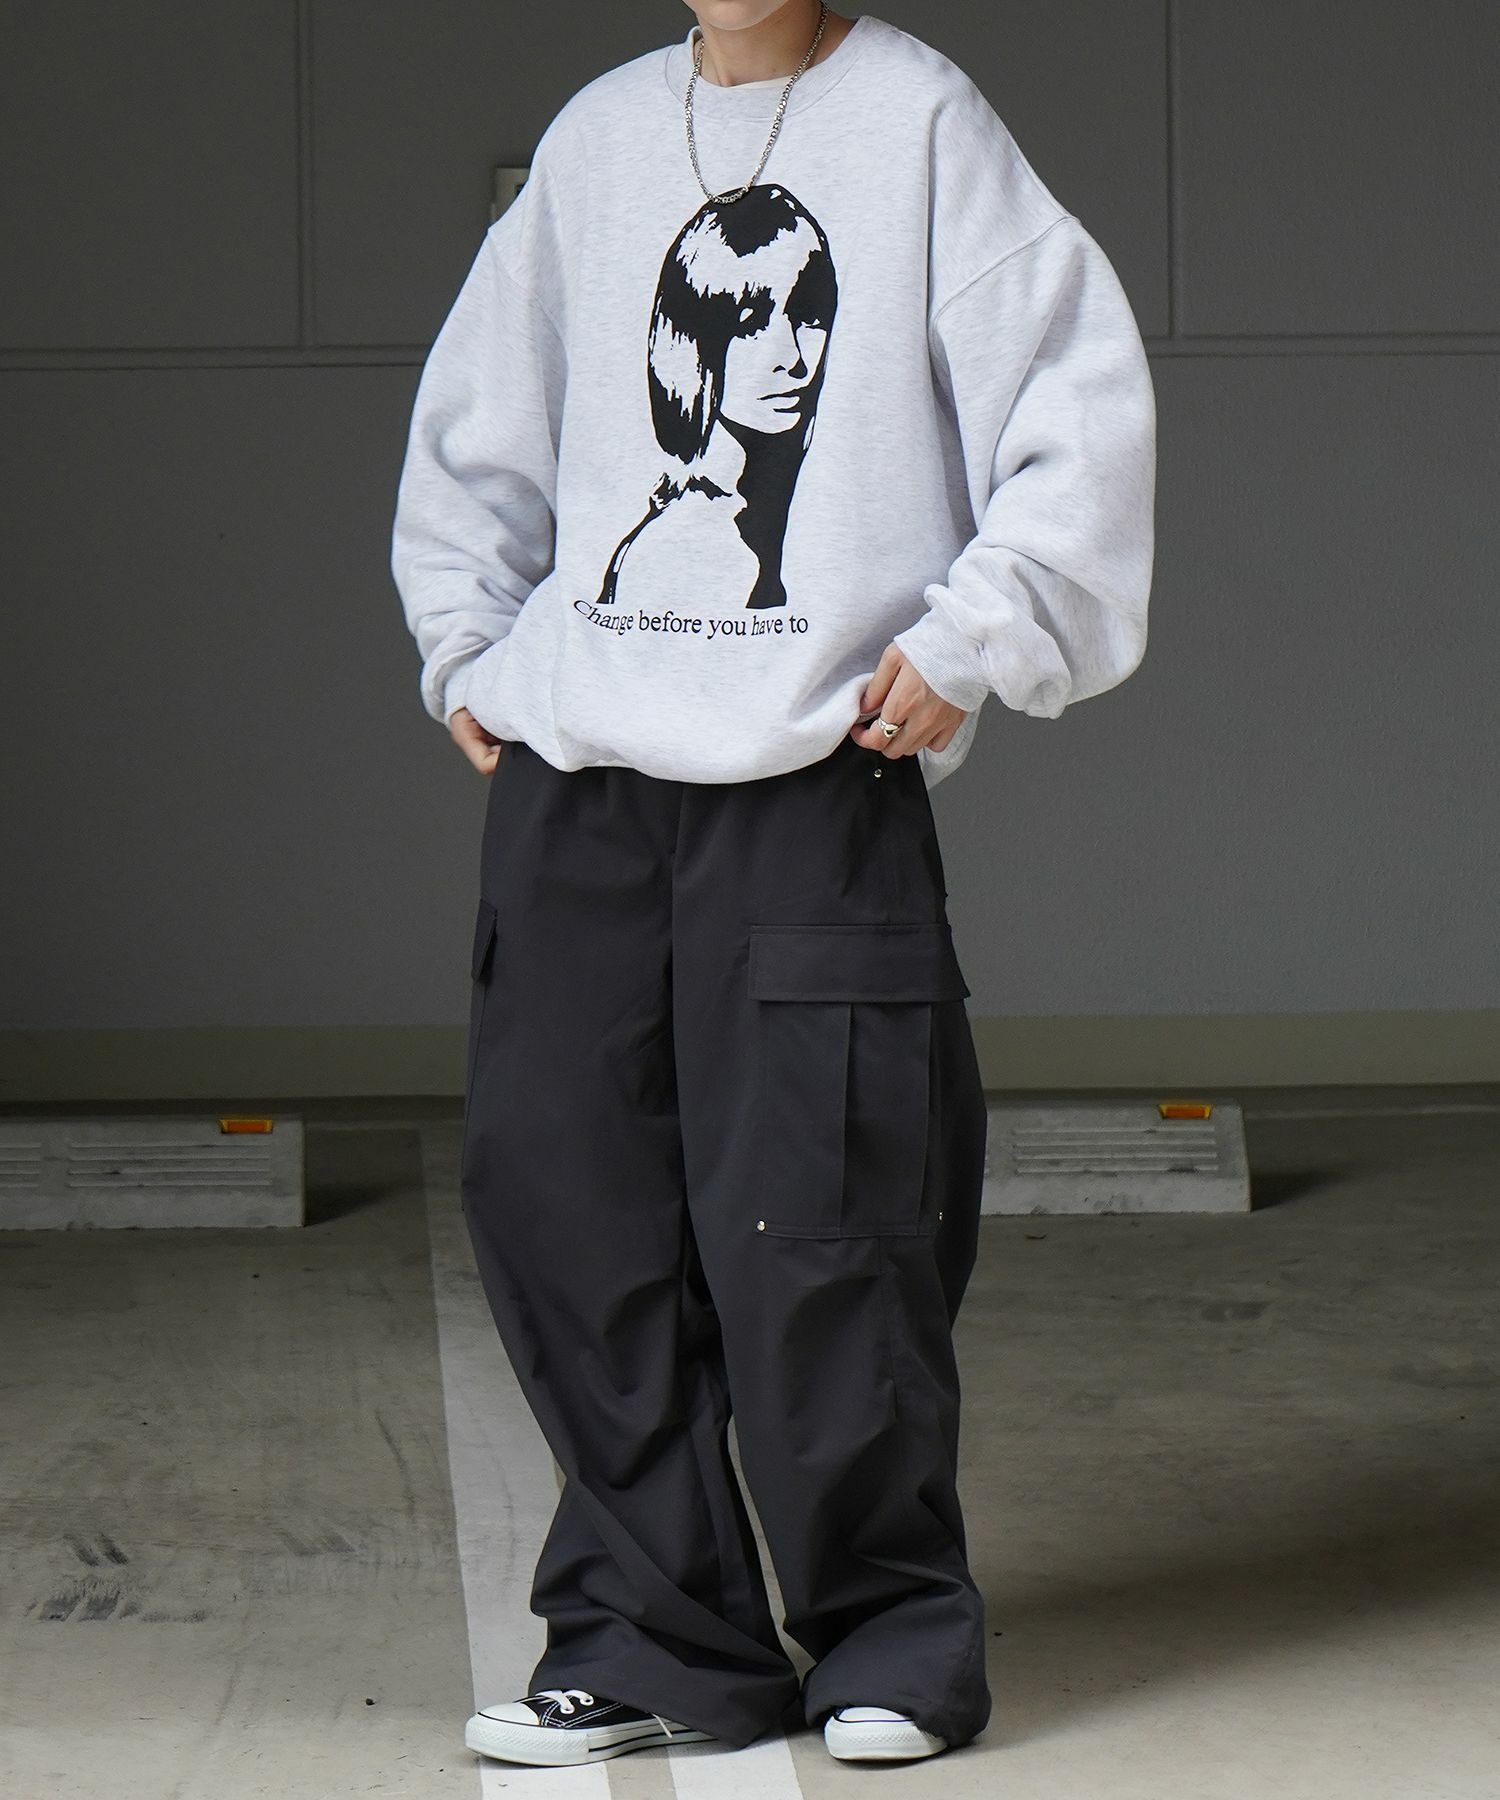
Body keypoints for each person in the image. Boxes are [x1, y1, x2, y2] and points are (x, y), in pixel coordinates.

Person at [390, 0, 1155, 1769]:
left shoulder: (922, 120)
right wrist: (467, 643)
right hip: (583, 795)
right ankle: (651, 1641)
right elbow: (482, 420)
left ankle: (891, 1632)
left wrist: (973, 638)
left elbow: (1079, 403)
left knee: (833, 1225)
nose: (786, 349)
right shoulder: (597, 139)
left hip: (812, 781)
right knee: (571, 1217)